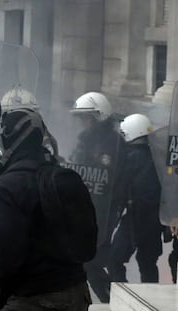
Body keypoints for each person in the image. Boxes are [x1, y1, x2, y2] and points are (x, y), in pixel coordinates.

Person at [0, 108, 92, 310]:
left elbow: (6, 257)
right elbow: (89, 246)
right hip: (76, 293)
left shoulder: (4, 188)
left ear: (5, 140)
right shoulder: (68, 178)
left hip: (31, 298)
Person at [69, 91, 125, 303]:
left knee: (90, 262)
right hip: (84, 207)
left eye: (86, 118)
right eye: (81, 118)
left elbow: (115, 179)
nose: (83, 122)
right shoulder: (84, 141)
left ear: (99, 117)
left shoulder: (114, 144)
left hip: (104, 209)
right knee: (85, 261)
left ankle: (114, 301)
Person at [107, 113, 163, 283]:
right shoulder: (158, 157)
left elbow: (119, 188)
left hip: (135, 218)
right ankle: (151, 303)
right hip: (155, 220)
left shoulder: (129, 158)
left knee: (114, 260)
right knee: (147, 264)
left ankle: (123, 300)